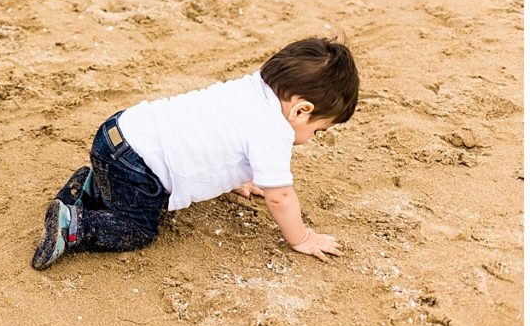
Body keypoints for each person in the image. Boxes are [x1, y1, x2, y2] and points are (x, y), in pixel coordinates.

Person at [31, 37, 359, 269]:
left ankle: (92, 187)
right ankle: (74, 224)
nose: (311, 138)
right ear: (301, 110)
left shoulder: (250, 88)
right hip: (138, 167)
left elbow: (213, 135)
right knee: (137, 229)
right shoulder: (274, 130)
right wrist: (301, 238)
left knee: (127, 189)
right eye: (318, 130)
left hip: (118, 133)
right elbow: (281, 198)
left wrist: (236, 177)